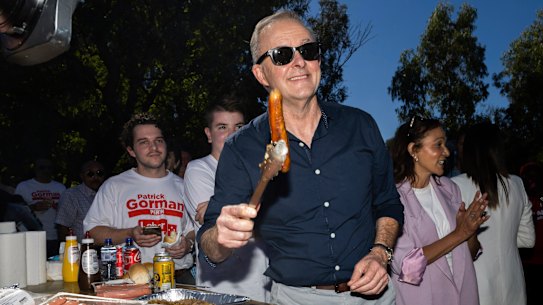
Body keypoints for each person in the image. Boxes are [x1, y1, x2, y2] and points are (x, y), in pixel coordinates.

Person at [198, 10, 403, 305]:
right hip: (297, 299)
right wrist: (221, 236)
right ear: (260, 73)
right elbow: (209, 244)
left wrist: (380, 252)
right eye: (282, 54)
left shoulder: (361, 126)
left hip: (376, 296)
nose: (299, 62)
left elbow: (388, 203)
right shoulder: (241, 149)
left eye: (308, 50)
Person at [83, 113, 196, 284]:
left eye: (158, 140)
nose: (154, 147)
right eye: (144, 142)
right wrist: (129, 233)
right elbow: (91, 232)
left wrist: (187, 243)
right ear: (131, 150)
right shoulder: (114, 186)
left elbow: (195, 228)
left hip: (179, 277)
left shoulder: (184, 186)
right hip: (131, 279)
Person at [389, 117, 489, 305]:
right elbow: (407, 267)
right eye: (438, 144)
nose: (447, 152)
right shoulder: (393, 199)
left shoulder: (450, 189)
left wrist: (471, 230)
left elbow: (471, 253)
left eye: (445, 143)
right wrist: (460, 234)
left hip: (463, 295)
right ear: (413, 150)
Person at [184, 96, 271, 302]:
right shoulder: (199, 169)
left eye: (239, 127)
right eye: (222, 127)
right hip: (222, 285)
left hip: (263, 282)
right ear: (208, 134)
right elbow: (231, 223)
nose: (233, 134)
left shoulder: (258, 168)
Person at [451, 122, 535, 305]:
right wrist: (504, 240)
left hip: (475, 288)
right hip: (515, 287)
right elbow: (528, 240)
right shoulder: (517, 184)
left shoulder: (455, 186)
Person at [15, 158, 66, 257]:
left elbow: (66, 211)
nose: (46, 170)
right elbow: (15, 210)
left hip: (54, 236)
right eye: (42, 168)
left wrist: (57, 206)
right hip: (30, 235)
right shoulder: (24, 186)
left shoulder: (60, 187)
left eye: (49, 168)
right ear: (35, 169)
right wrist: (33, 207)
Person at [56, 160, 106, 241]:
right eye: (90, 174)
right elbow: (63, 227)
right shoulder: (71, 195)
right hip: (80, 250)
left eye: (99, 173)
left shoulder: (107, 194)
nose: (95, 177)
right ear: (82, 176)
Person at [519, 161, 543, 305]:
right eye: (527, 176)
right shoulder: (523, 201)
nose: (531, 179)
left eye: (534, 175)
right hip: (528, 263)